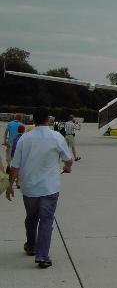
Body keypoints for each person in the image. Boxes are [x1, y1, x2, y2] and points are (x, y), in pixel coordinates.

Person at [5, 108, 73, 269]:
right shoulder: (56, 137)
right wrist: (68, 167)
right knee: (46, 220)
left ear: (33, 120)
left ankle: (31, 246)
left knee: (31, 217)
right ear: (48, 120)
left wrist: (10, 185)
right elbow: (68, 159)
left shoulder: (24, 138)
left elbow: (15, 165)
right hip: (49, 188)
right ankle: (42, 257)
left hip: (29, 188)